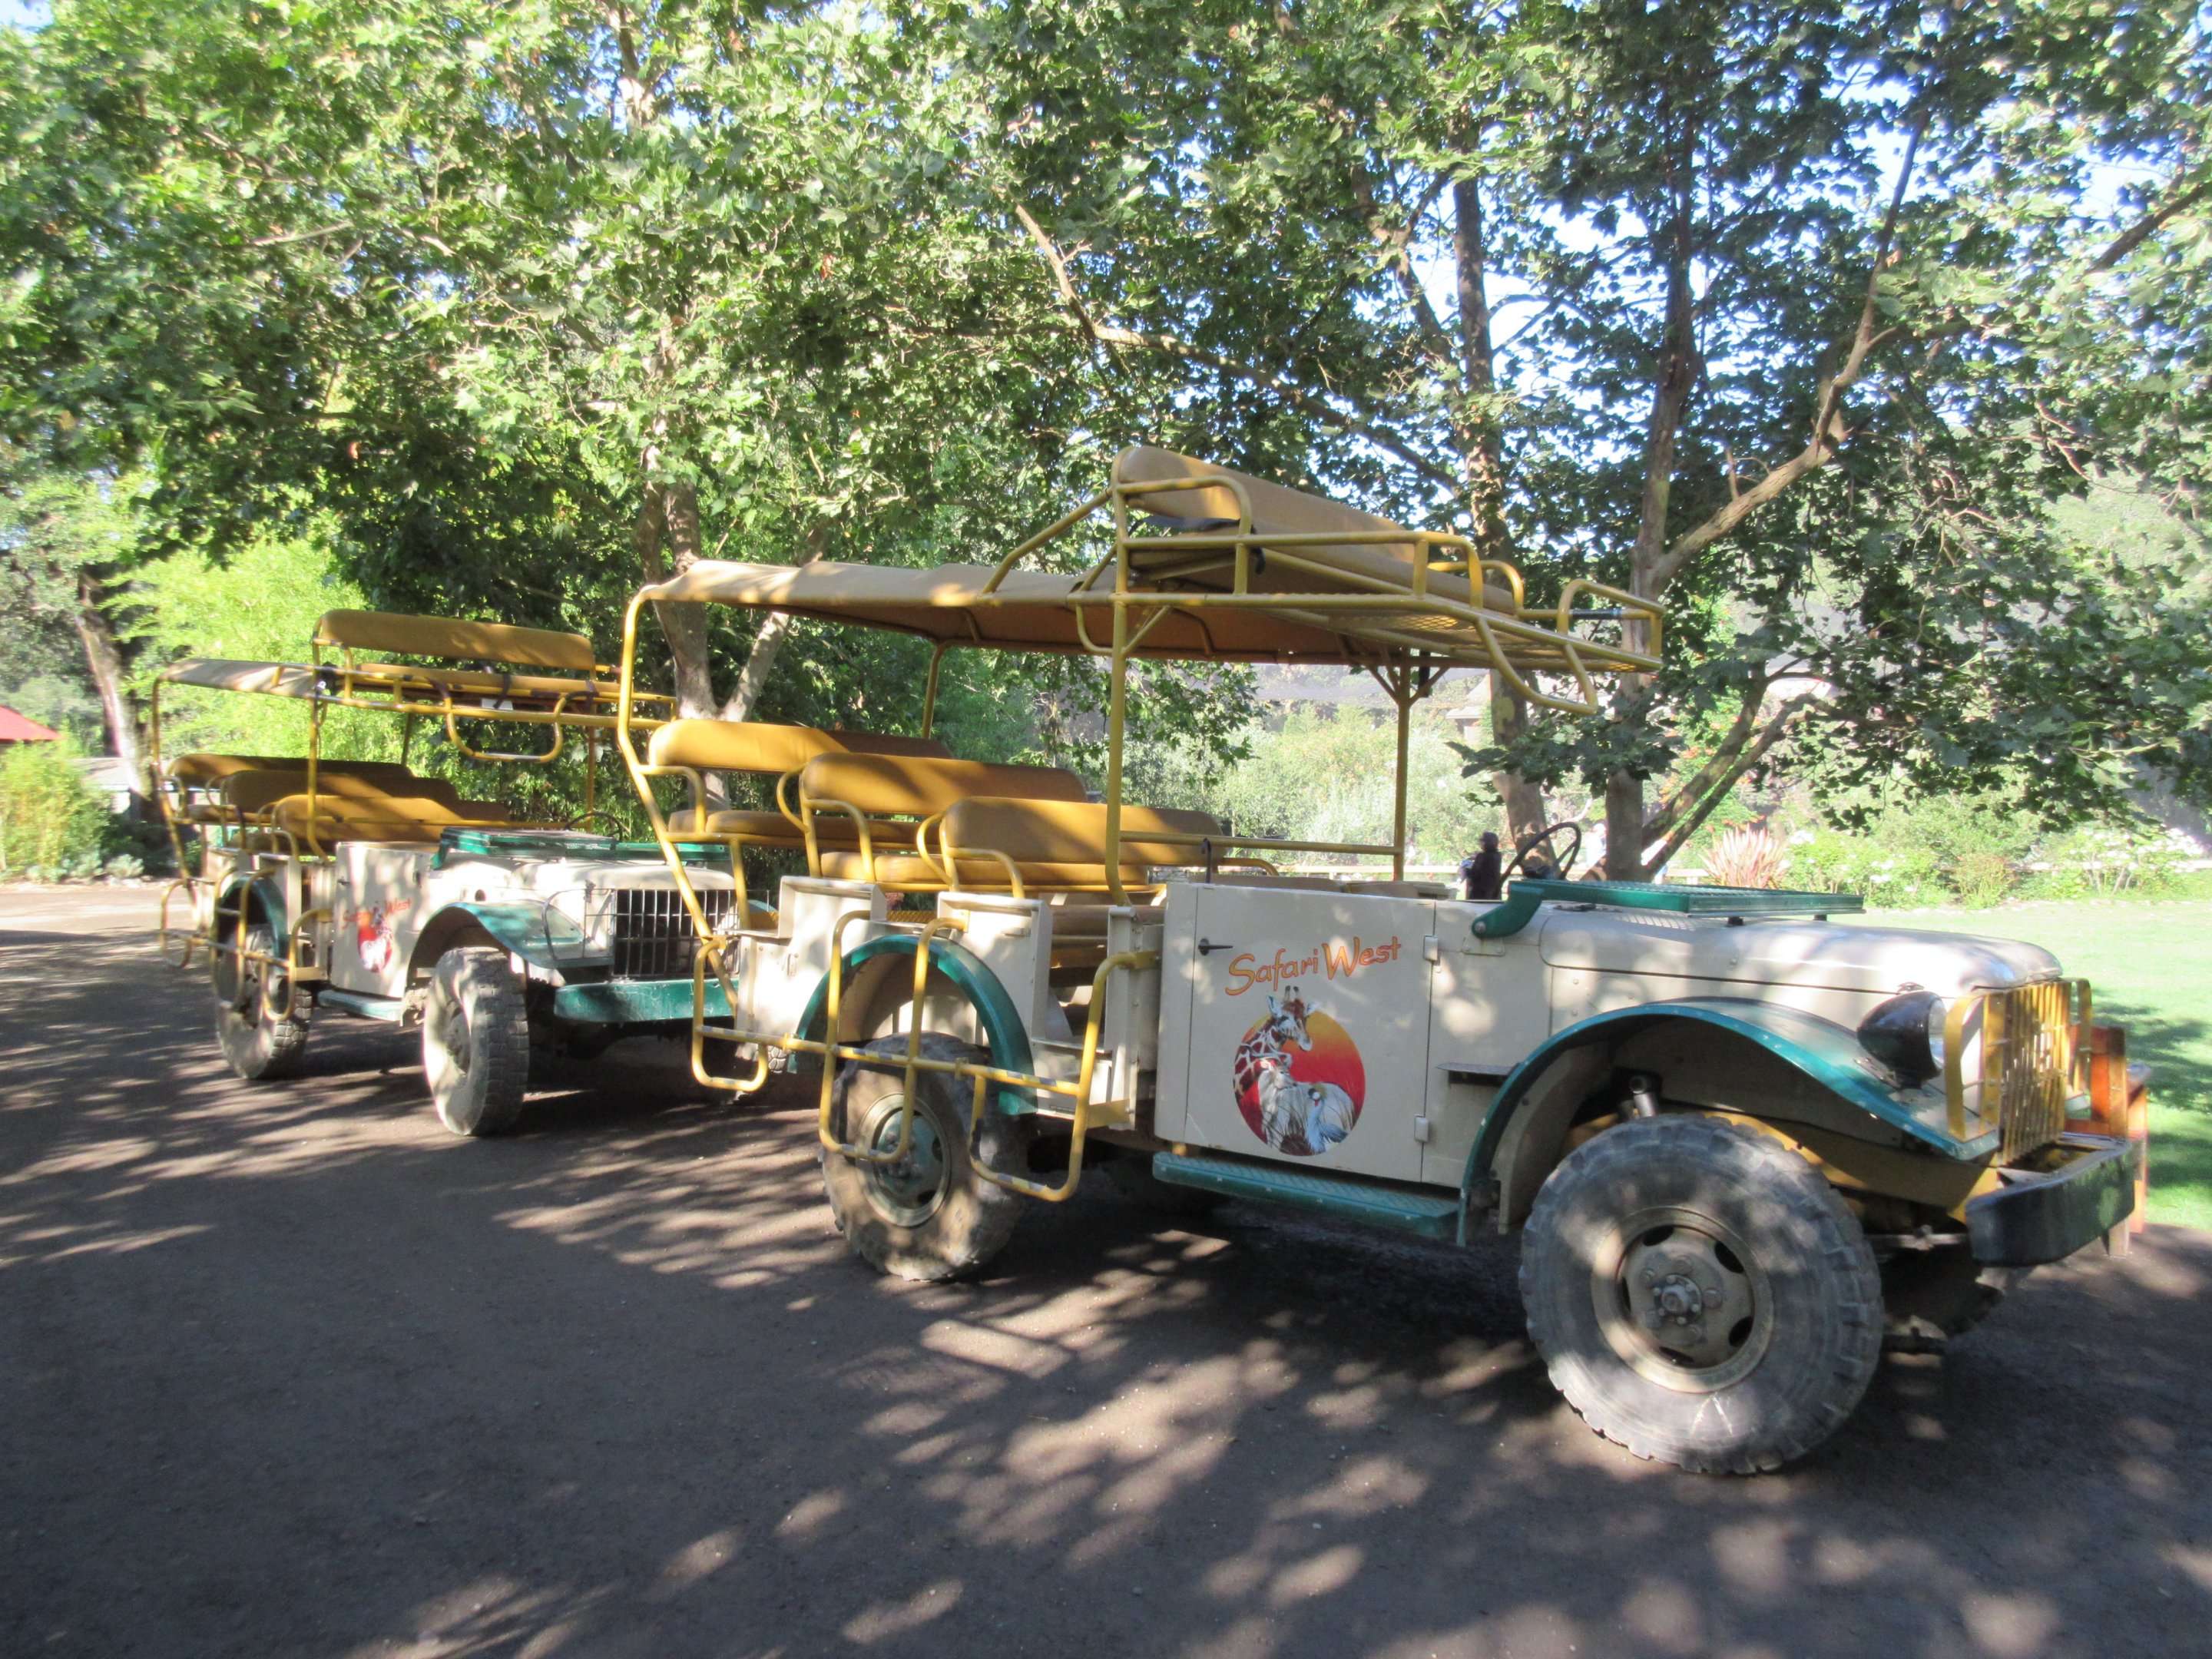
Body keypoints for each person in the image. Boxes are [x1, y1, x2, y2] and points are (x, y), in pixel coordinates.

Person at [1460, 831, 1503, 902]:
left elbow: (1474, 874)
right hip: (1494, 893)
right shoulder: (1498, 856)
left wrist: (1466, 869)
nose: (1480, 842)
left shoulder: (1482, 857)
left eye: (1481, 840)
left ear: (1486, 842)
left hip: (1480, 893)